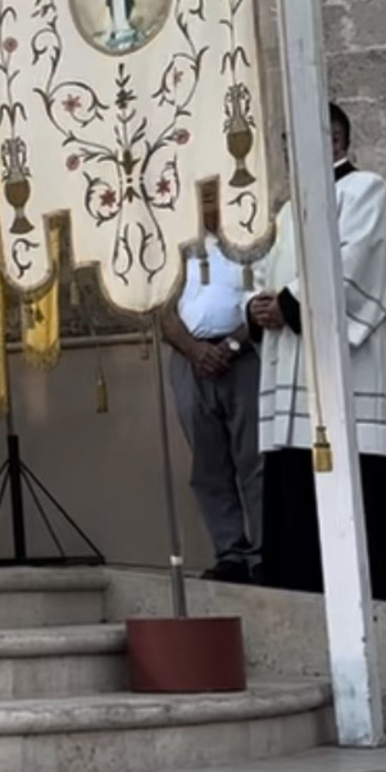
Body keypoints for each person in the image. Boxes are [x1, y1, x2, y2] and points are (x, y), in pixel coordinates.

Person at [250, 102, 386, 602]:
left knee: (364, 503)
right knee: (296, 498)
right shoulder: (288, 211)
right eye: (287, 146)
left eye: (299, 142)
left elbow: (356, 266)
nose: (290, 154)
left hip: (353, 378)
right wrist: (258, 306)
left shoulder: (367, 191)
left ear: (334, 140)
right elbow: (261, 275)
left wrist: (288, 303)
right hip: (295, 372)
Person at [159, 182, 263, 582]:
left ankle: (263, 553)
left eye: (213, 198)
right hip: (190, 359)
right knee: (208, 463)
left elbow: (263, 296)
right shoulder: (176, 248)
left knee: (254, 459)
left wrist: (233, 344)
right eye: (200, 199)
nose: (207, 207)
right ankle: (230, 552)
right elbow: (162, 310)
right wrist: (195, 351)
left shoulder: (251, 244)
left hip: (244, 356)